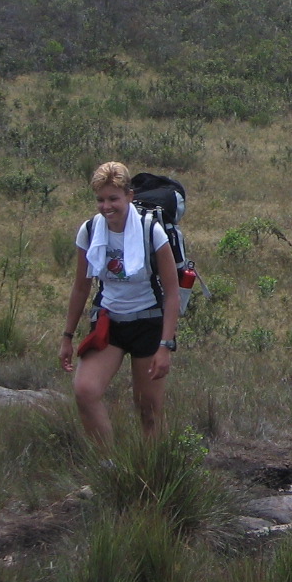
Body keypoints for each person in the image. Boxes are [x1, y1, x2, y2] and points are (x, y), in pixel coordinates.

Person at [60, 161, 180, 444]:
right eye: (100, 199)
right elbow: (81, 286)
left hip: (148, 322)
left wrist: (165, 346)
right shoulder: (90, 231)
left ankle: (152, 475)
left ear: (129, 196)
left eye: (113, 198)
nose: (106, 206)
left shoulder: (152, 232)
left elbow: (172, 293)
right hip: (108, 321)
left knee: (148, 410)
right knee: (85, 391)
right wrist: (67, 336)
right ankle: (109, 469)